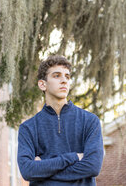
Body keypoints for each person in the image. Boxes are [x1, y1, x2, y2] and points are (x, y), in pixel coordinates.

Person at [17, 55, 104, 185]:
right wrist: (73, 157)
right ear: (42, 84)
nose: (64, 80)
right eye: (57, 76)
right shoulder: (28, 128)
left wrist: (43, 171)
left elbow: (93, 167)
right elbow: (28, 171)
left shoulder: (90, 121)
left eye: (67, 76)